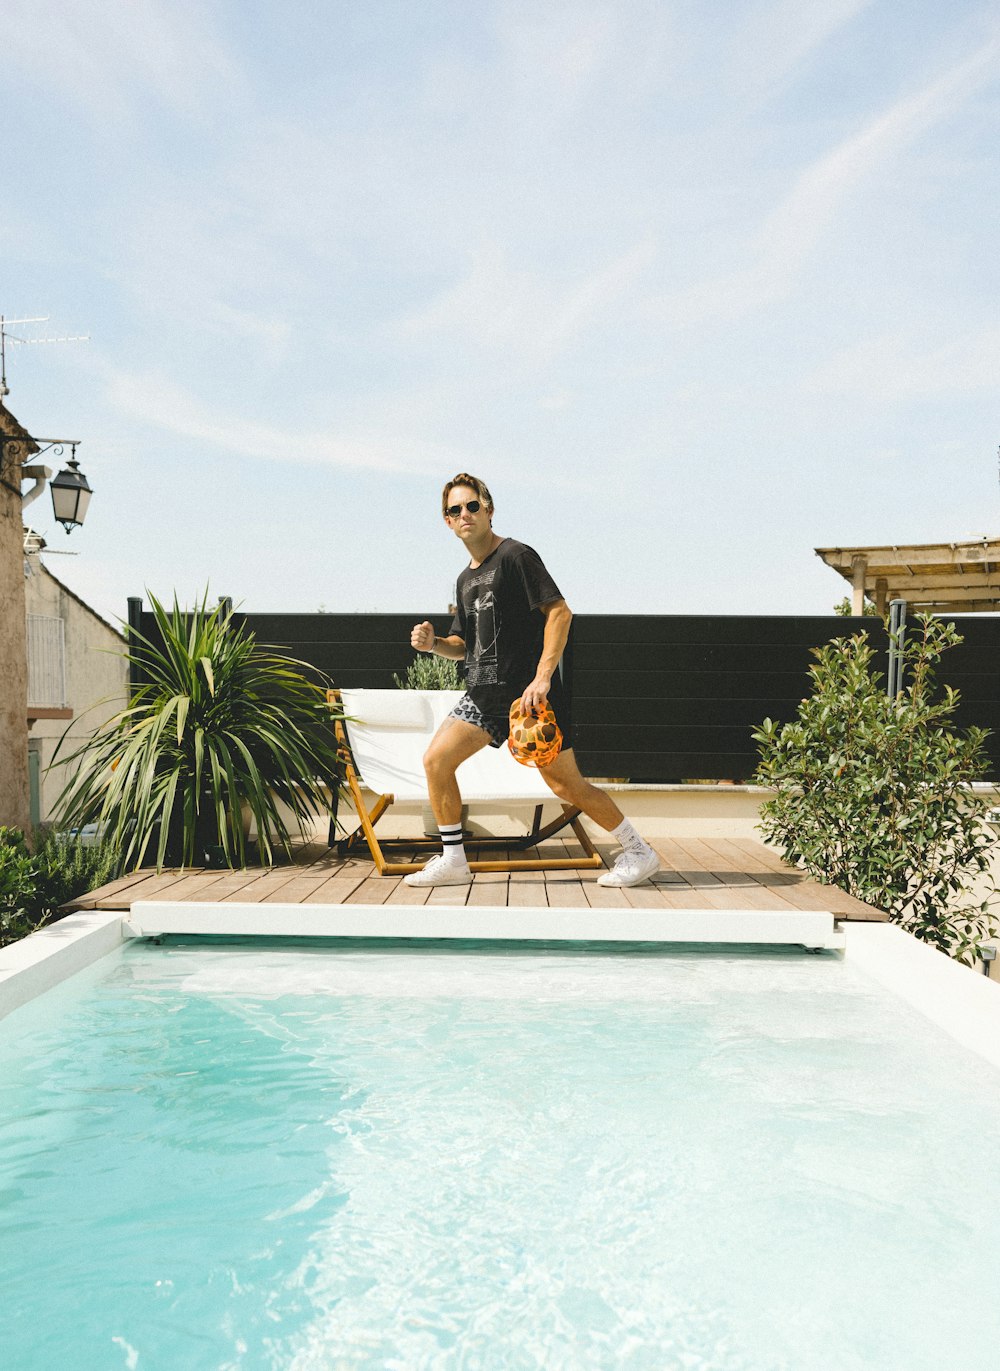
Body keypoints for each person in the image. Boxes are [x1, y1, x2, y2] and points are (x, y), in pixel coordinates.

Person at [404, 472, 660, 889]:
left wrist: (542, 678)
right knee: (436, 761)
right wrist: (435, 645)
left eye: (472, 505)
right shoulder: (465, 579)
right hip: (484, 696)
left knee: (566, 784)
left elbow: (559, 612)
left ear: (488, 509)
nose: (465, 514)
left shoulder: (516, 556)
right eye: (455, 510)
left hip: (528, 699)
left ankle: (638, 852)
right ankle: (453, 860)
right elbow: (462, 644)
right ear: (447, 522)